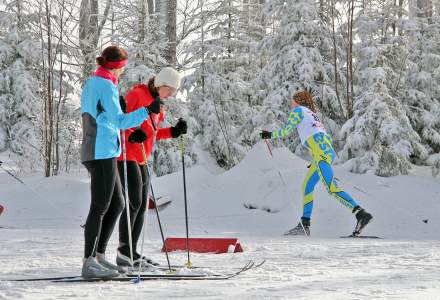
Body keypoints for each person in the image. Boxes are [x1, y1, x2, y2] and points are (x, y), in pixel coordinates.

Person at [80, 45, 161, 279]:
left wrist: (114, 112)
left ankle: (98, 256)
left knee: (117, 204)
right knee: (100, 205)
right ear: (116, 67)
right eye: (122, 68)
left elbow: (103, 115)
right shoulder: (105, 84)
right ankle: (89, 261)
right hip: (101, 150)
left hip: (101, 148)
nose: (123, 72)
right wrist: (147, 111)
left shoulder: (97, 81)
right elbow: (119, 122)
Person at [260, 90, 373, 236]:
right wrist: (317, 158)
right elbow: (322, 138)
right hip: (325, 154)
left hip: (321, 155)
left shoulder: (298, 111)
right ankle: (304, 224)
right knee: (307, 187)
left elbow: (286, 130)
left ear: (298, 101)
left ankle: (361, 214)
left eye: (292, 100)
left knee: (332, 188)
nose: (291, 103)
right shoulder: (311, 115)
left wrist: (268, 135)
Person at [116, 67, 187, 268]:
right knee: (134, 203)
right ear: (161, 84)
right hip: (126, 154)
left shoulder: (158, 104)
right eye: (170, 89)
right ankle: (124, 252)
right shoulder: (137, 94)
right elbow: (120, 121)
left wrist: (173, 132)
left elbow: (152, 132)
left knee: (140, 207)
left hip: (141, 157)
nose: (171, 94)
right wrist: (132, 133)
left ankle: (132, 251)